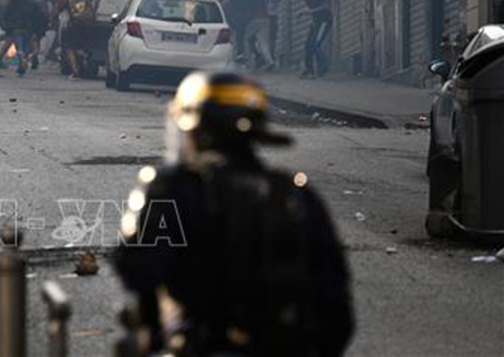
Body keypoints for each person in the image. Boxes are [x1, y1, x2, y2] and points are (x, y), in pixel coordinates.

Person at [115, 71, 353, 357]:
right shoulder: (296, 195)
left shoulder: (174, 188)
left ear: (194, 128)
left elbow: (136, 269)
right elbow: (337, 310)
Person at [54, 0, 98, 80]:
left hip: (75, 24)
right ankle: (85, 54)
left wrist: (53, 18)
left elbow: (59, 8)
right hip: (89, 23)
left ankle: (75, 71)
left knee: (69, 47)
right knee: (84, 44)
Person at [3, 0, 44, 76]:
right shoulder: (33, 3)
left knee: (19, 48)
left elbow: (6, 15)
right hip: (28, 29)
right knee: (25, 48)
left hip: (16, 29)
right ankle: (23, 63)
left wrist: (8, 26)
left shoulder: (13, 2)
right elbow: (38, 16)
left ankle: (21, 63)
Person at [297, 0, 332, 78]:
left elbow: (325, 6)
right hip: (316, 21)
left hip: (324, 20)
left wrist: (308, 12)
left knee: (315, 44)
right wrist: (311, 16)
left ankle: (324, 66)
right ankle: (309, 70)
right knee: (308, 45)